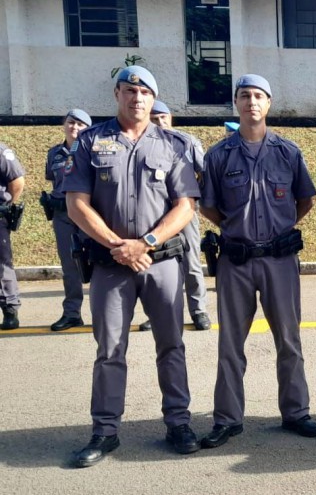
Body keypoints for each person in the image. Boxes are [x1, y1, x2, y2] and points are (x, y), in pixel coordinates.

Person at [62, 66, 201, 467]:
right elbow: (76, 204)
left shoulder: (173, 145)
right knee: (109, 350)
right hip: (110, 264)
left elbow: (185, 206)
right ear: (117, 94)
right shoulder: (91, 142)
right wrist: (117, 245)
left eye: (144, 91)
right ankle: (104, 432)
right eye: (129, 90)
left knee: (171, 345)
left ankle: (178, 423)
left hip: (161, 262)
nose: (137, 98)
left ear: (154, 98)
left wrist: (147, 242)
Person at [199, 74, 316, 448]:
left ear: (268, 104)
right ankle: (227, 419)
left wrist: (280, 229)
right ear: (236, 104)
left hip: (279, 259)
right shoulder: (218, 155)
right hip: (235, 260)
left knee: (288, 339)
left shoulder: (288, 152)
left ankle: (296, 412)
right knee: (230, 343)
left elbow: (305, 200)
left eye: (258, 96)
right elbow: (207, 205)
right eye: (244, 96)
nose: (251, 102)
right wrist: (235, 229)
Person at [146, 100, 211, 331]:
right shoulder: (142, 143)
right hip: (155, 213)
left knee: (191, 261)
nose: (160, 122)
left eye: (163, 117)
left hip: (183, 210)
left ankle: (199, 310)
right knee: (157, 265)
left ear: (171, 117)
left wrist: (196, 199)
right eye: (154, 119)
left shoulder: (186, 141)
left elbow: (204, 171)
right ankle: (157, 313)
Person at [45, 109, 92, 331]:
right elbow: (53, 181)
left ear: (88, 129)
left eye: (81, 125)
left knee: (97, 263)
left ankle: (104, 313)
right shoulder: (54, 153)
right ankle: (72, 313)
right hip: (62, 217)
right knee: (69, 266)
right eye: (71, 123)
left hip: (86, 215)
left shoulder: (93, 151)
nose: (75, 128)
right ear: (64, 125)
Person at [0, 140, 26, 331]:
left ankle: (10, 309)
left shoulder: (1, 151)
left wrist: (6, 207)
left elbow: (17, 181)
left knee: (2, 265)